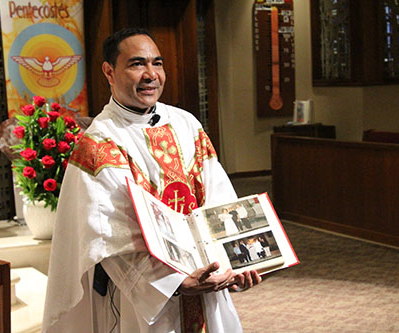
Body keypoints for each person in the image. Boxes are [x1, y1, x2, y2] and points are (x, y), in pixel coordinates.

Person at [42, 27, 261, 332]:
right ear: (109, 71)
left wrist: (234, 264)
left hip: (207, 281)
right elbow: (107, 237)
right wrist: (175, 282)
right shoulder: (100, 143)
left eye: (157, 63)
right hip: (145, 302)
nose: (150, 74)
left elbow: (219, 199)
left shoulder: (187, 124)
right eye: (136, 64)